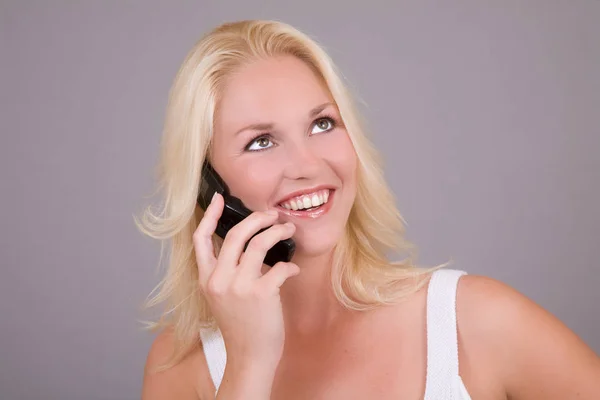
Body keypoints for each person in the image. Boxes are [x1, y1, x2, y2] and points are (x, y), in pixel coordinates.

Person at [137, 19, 600, 399]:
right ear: (207, 185)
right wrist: (248, 367)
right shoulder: (180, 365)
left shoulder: (476, 322)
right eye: (261, 141)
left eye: (322, 124)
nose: (308, 164)